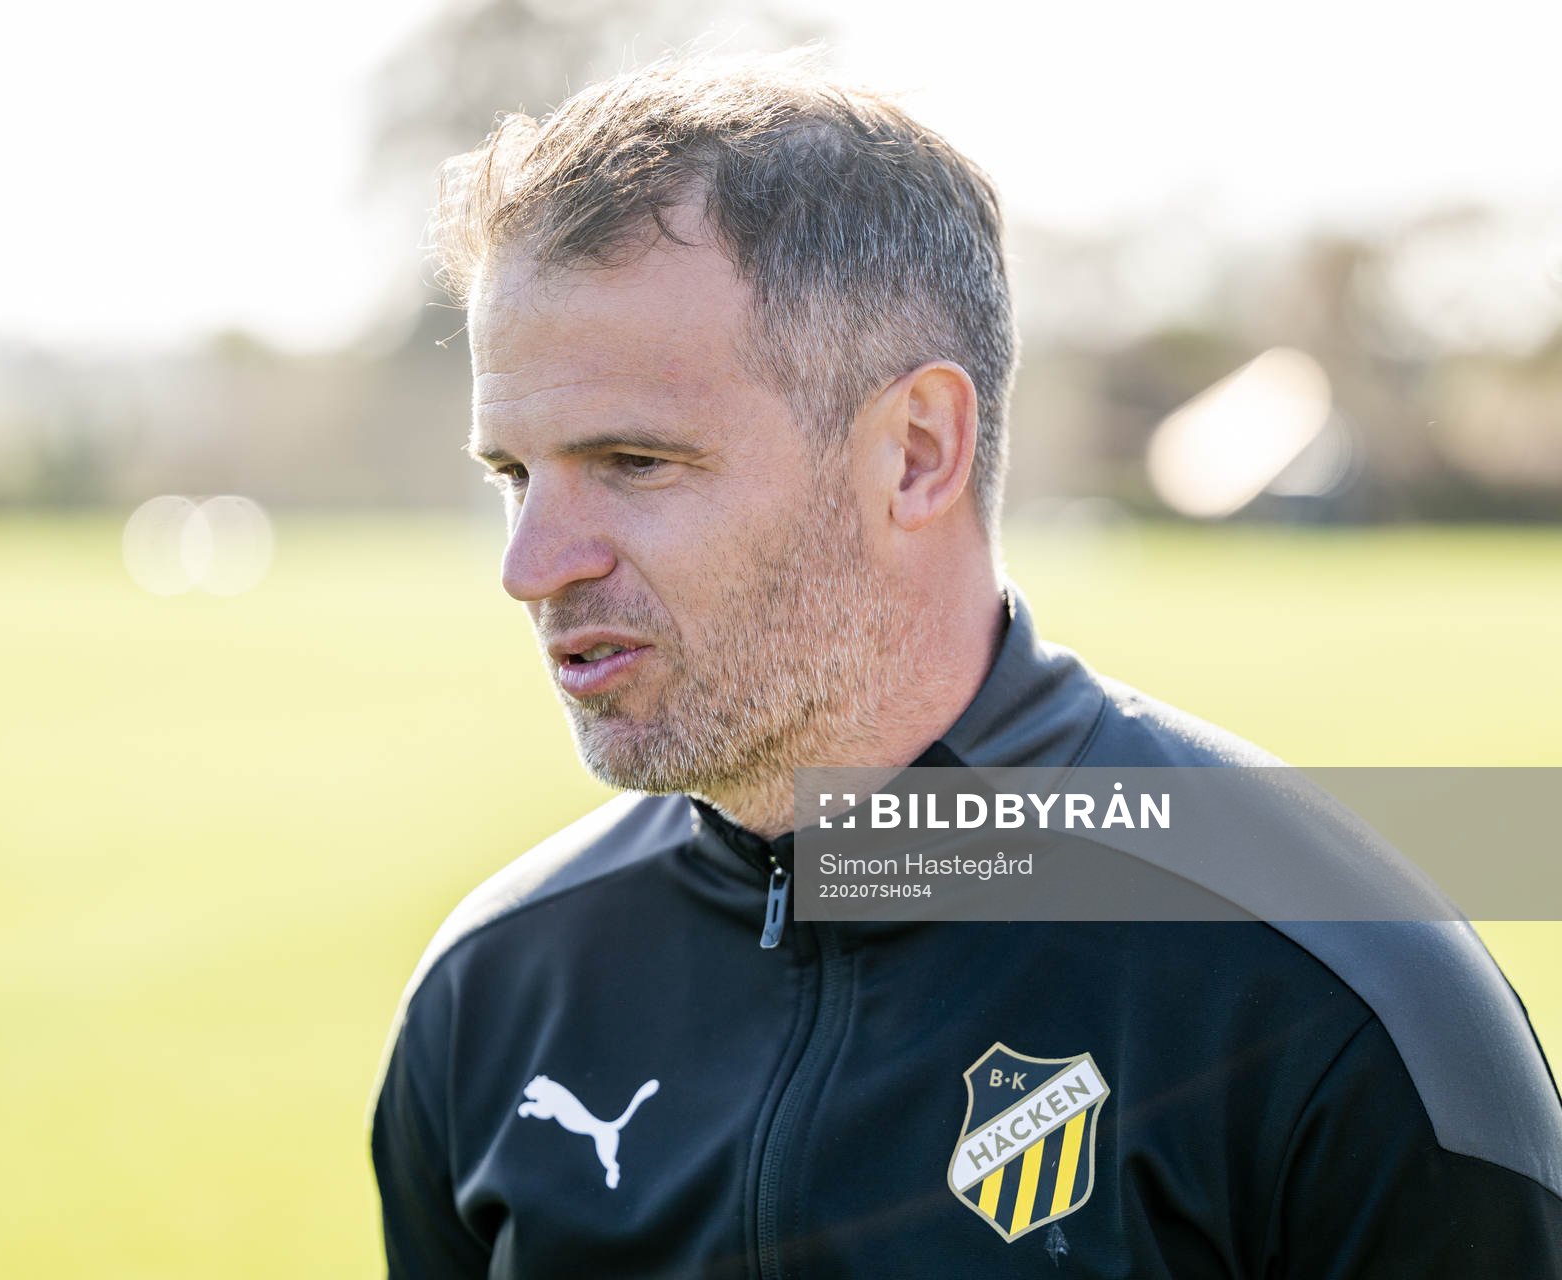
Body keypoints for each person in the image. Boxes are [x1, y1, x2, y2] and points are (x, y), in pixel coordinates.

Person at [367, 52, 1562, 1277]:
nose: (531, 564)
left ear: (918, 452)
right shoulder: (491, 996)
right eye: (513, 475)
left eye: (634, 461)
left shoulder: (1332, 991)